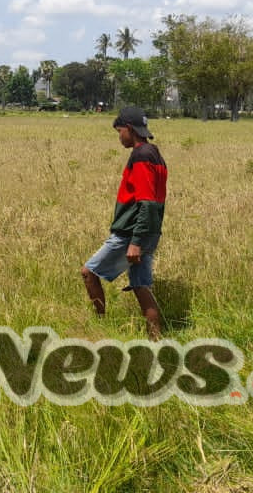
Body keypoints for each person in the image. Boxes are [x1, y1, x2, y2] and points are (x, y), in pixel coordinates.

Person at [81, 106, 168, 340]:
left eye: (119, 131)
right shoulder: (155, 153)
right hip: (150, 230)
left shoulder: (140, 156)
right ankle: (155, 339)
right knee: (140, 285)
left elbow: (147, 202)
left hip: (131, 233)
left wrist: (135, 242)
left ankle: (99, 328)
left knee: (89, 272)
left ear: (129, 129)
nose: (119, 137)